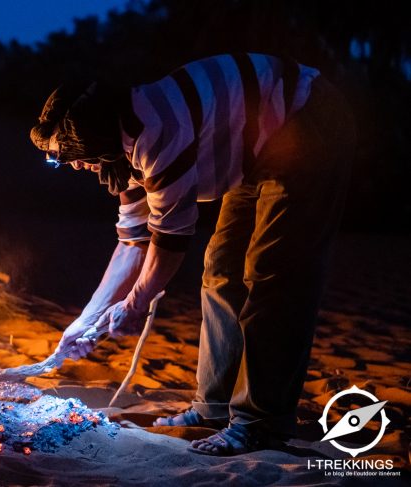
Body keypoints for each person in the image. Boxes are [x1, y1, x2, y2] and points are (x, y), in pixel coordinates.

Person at [29, 53, 355, 456]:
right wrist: (85, 320)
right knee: (221, 269)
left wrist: (135, 303)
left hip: (305, 121)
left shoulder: (156, 132)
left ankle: (260, 422)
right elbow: (132, 242)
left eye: (66, 155)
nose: (73, 165)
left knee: (273, 273)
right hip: (256, 147)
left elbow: (169, 240)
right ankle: (214, 408)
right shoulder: (120, 149)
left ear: (90, 137)